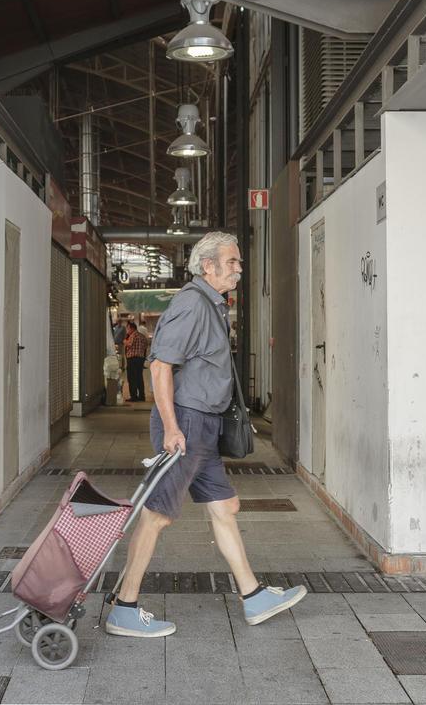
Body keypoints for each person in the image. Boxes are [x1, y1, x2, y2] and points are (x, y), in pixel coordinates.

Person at [104, 232, 306, 638]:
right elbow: (159, 366)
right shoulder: (192, 304)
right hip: (188, 425)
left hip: (204, 426)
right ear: (208, 266)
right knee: (157, 514)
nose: (239, 268)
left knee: (224, 506)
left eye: (238, 262)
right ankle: (124, 607)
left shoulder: (212, 304)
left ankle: (253, 596)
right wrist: (173, 428)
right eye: (232, 262)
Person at [123, 320, 149, 402]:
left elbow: (129, 344)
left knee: (132, 378)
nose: (127, 330)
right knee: (139, 378)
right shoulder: (142, 336)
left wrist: (125, 341)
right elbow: (146, 346)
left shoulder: (133, 335)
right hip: (140, 359)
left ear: (132, 328)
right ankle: (141, 396)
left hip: (132, 359)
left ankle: (133, 396)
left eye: (127, 328)